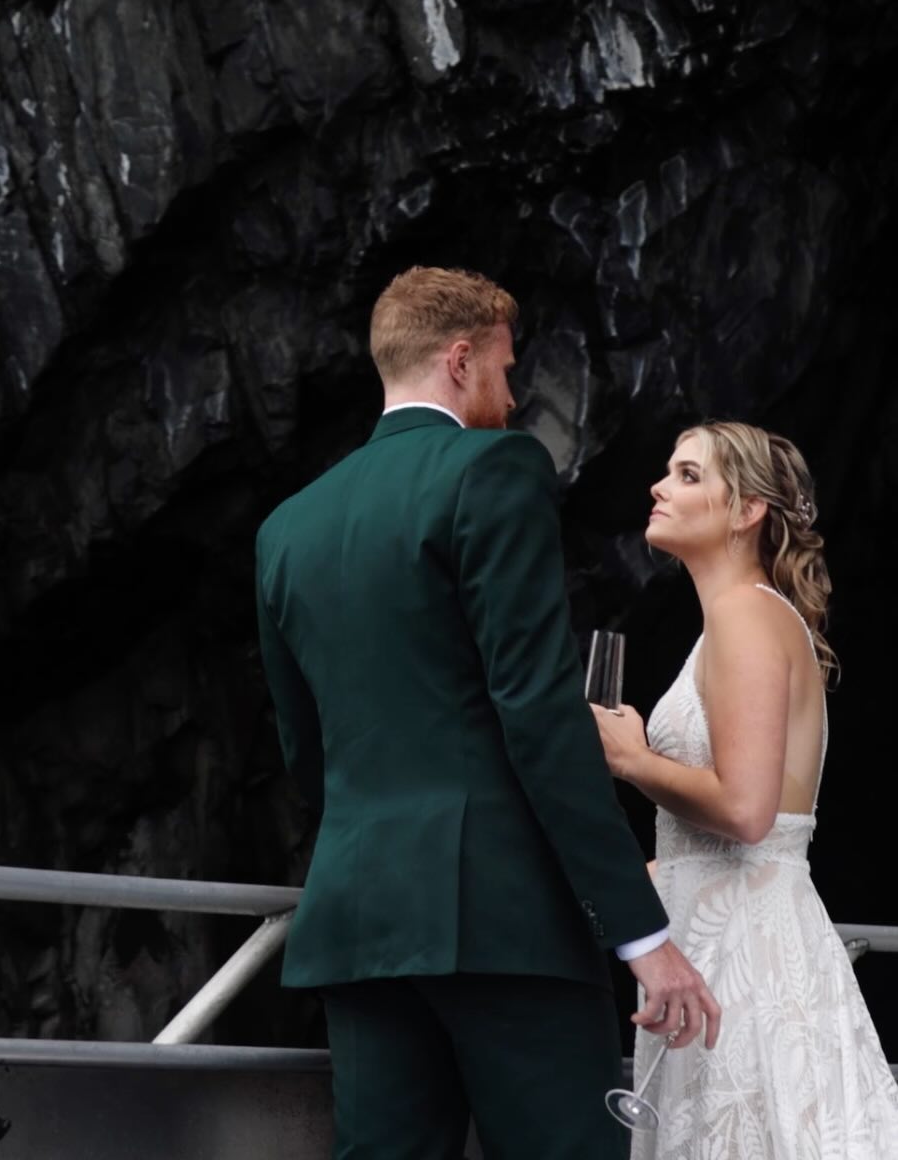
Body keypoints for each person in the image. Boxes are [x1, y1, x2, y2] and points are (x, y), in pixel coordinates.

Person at [255, 267, 719, 1160]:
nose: (511, 398)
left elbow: (304, 750)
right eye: (506, 371)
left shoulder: (287, 527)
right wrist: (641, 935)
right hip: (504, 923)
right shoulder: (494, 467)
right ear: (459, 361)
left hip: (358, 924)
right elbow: (539, 713)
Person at [593, 420, 898, 1158]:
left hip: (749, 965)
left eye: (689, 474)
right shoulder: (735, 621)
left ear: (748, 510)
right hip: (726, 940)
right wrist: (639, 882)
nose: (660, 486)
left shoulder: (747, 618)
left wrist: (630, 759)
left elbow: (748, 811)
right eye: (668, 470)